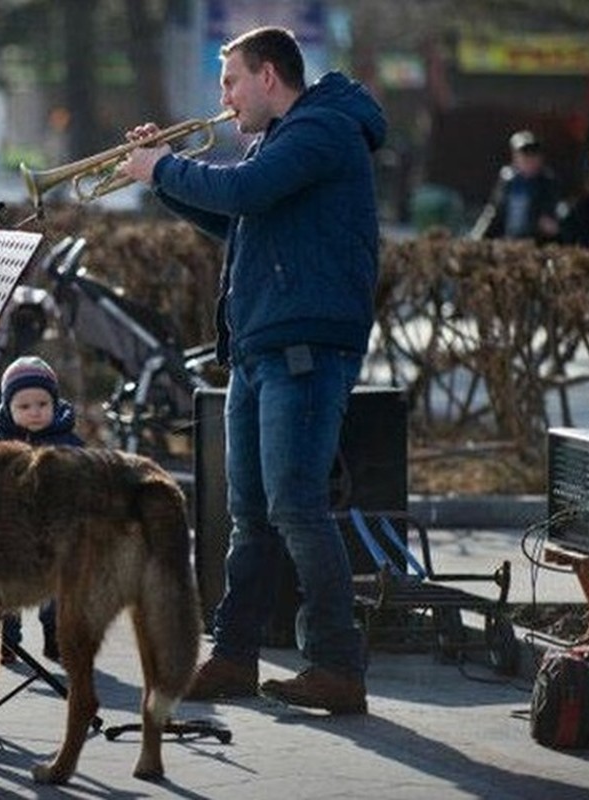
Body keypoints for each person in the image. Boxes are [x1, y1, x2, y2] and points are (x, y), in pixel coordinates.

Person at [118, 26, 385, 714]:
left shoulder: (323, 130)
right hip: (262, 347)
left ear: (269, 76)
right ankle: (234, 656)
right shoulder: (282, 140)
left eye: (230, 82)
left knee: (295, 505)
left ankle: (335, 663)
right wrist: (164, 173)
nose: (224, 99)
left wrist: (162, 168)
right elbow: (238, 220)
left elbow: (244, 192)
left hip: (303, 347)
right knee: (249, 516)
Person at [0, 356, 85, 663]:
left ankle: (55, 638)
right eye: (24, 406)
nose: (34, 412)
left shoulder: (67, 441)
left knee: (55, 592)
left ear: (54, 403)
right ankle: (7, 640)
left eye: (42, 403)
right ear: (9, 408)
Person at [473, 129, 561, 243]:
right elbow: (493, 212)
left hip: (535, 242)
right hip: (508, 241)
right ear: (515, 157)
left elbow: (551, 217)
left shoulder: (547, 182)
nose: (529, 160)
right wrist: (477, 237)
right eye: (524, 154)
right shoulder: (507, 180)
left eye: (533, 154)